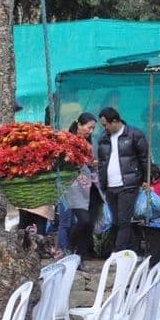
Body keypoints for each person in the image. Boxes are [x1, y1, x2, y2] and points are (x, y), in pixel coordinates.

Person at [97, 107, 149, 252]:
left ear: (115, 121)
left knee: (124, 221)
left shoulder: (135, 134)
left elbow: (144, 159)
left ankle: (118, 252)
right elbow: (102, 162)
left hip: (128, 184)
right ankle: (134, 249)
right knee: (117, 221)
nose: (104, 128)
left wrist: (146, 179)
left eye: (106, 124)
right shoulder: (103, 138)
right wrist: (102, 181)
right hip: (110, 185)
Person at [61, 113, 99, 267]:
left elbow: (91, 162)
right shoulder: (67, 140)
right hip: (73, 186)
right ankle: (69, 248)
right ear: (79, 125)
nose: (91, 131)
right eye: (89, 127)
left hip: (91, 187)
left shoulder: (90, 143)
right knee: (83, 220)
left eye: (93, 128)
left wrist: (92, 163)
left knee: (89, 224)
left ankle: (80, 258)